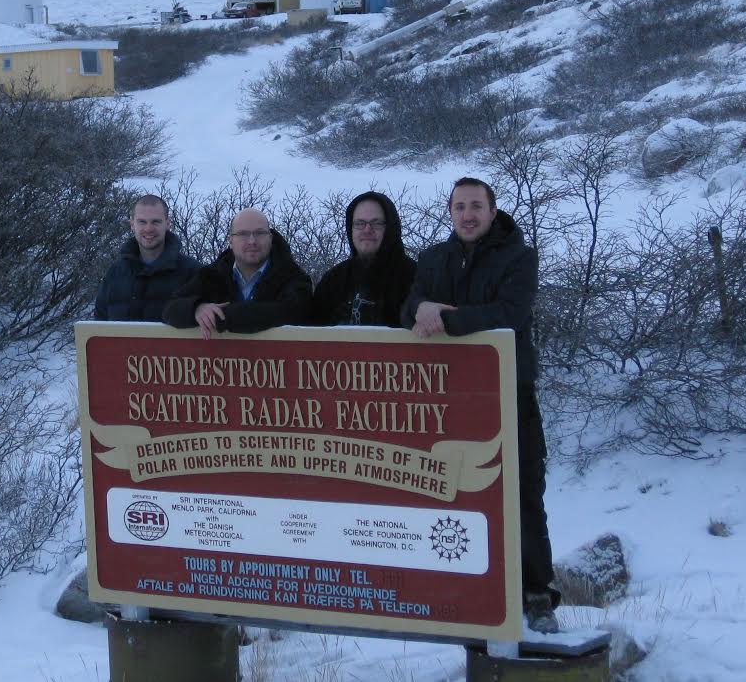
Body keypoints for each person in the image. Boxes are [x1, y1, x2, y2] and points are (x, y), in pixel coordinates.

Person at [401, 177, 560, 634]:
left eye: (476, 206)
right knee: (452, 491)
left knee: (523, 492)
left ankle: (537, 594)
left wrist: (443, 318)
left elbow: (508, 314)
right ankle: (463, 587)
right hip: (447, 398)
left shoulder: (519, 257)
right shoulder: (434, 259)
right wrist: (422, 306)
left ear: (493, 211)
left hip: (510, 394)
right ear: (450, 212)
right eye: (459, 207)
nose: (467, 214)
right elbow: (407, 306)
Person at [162, 208, 312, 336]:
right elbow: (170, 308)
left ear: (270, 238)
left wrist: (222, 317)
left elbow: (290, 313)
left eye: (259, 233)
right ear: (230, 240)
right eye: (243, 234)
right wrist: (196, 308)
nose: (252, 241)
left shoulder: (294, 277)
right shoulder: (212, 275)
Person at [310, 191, 417, 327]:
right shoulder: (333, 281)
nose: (367, 230)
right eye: (360, 223)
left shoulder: (416, 280)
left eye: (376, 223)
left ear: (390, 228)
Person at [93, 195, 199, 321]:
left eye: (156, 222)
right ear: (132, 224)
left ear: (168, 224)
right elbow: (100, 324)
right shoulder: (115, 273)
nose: (148, 229)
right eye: (142, 222)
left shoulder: (192, 273)